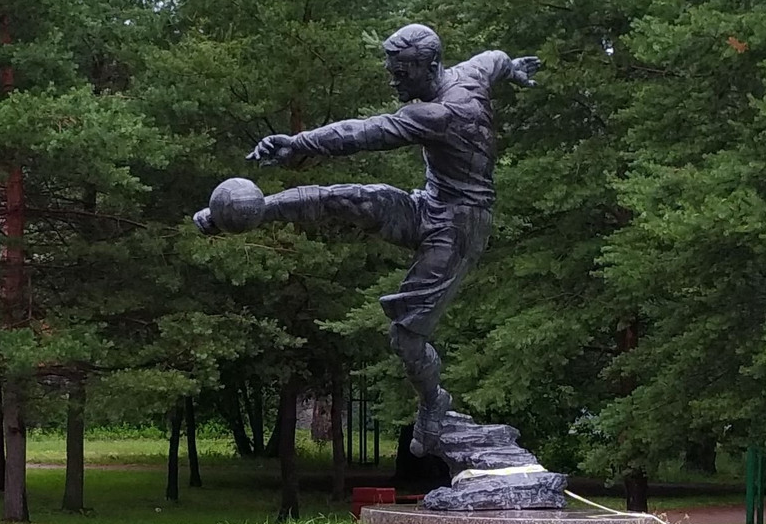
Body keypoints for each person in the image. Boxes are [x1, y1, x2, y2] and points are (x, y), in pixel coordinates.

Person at [194, 23, 539, 456]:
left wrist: (297, 142)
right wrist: (516, 69)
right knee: (351, 199)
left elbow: (362, 134)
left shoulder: (437, 114)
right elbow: (496, 57)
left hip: (460, 227)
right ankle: (253, 210)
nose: (393, 78)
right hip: (430, 204)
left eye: (402, 71)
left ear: (429, 66)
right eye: (391, 68)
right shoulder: (472, 72)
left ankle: (435, 403)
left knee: (406, 337)